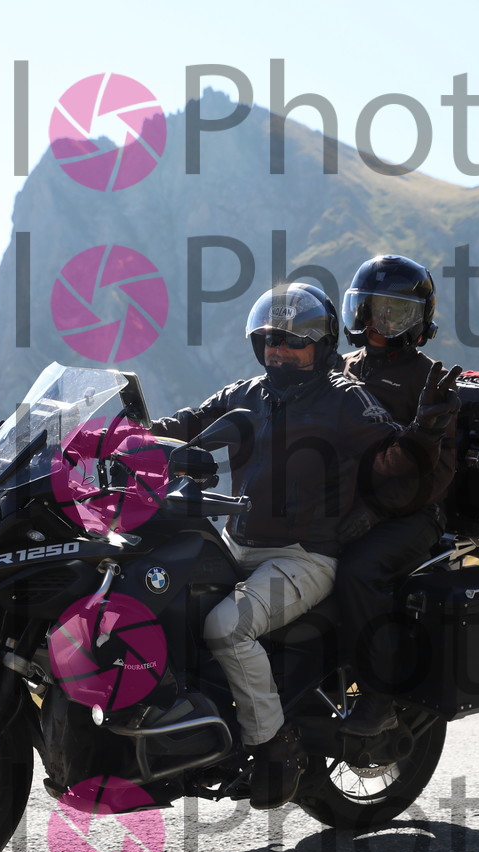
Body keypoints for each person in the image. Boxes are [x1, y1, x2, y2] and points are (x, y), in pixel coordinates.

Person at [149, 282, 454, 808]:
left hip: (304, 556)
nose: (280, 350)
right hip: (237, 544)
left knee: (227, 627)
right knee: (164, 599)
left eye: (294, 341)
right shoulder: (245, 394)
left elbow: (390, 463)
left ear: (322, 344)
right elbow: (184, 425)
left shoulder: (344, 398)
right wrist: (123, 434)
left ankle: (273, 745)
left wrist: (425, 433)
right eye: (271, 340)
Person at [335, 255, 462, 736]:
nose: (379, 323)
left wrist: (374, 511)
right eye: (371, 309)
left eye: (395, 312)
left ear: (419, 320)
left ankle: (379, 696)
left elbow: (435, 476)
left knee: (357, 571)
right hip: (347, 507)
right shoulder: (344, 367)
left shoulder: (432, 381)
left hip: (414, 515)